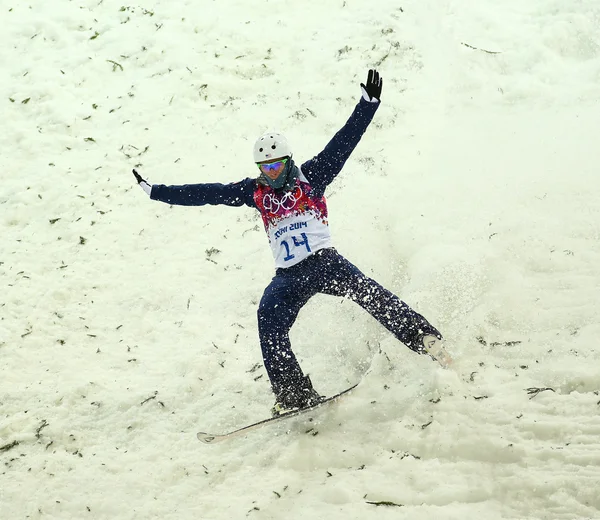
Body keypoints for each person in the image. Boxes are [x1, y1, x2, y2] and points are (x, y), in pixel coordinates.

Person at [132, 69, 452, 416]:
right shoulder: (253, 191)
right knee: (267, 317)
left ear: (288, 161)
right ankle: (294, 393)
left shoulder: (312, 177)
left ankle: (425, 338)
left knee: (370, 295)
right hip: (288, 278)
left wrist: (368, 104)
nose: (270, 174)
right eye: (264, 168)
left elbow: (343, 142)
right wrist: (158, 192)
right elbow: (210, 193)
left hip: (325, 263)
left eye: (275, 166)